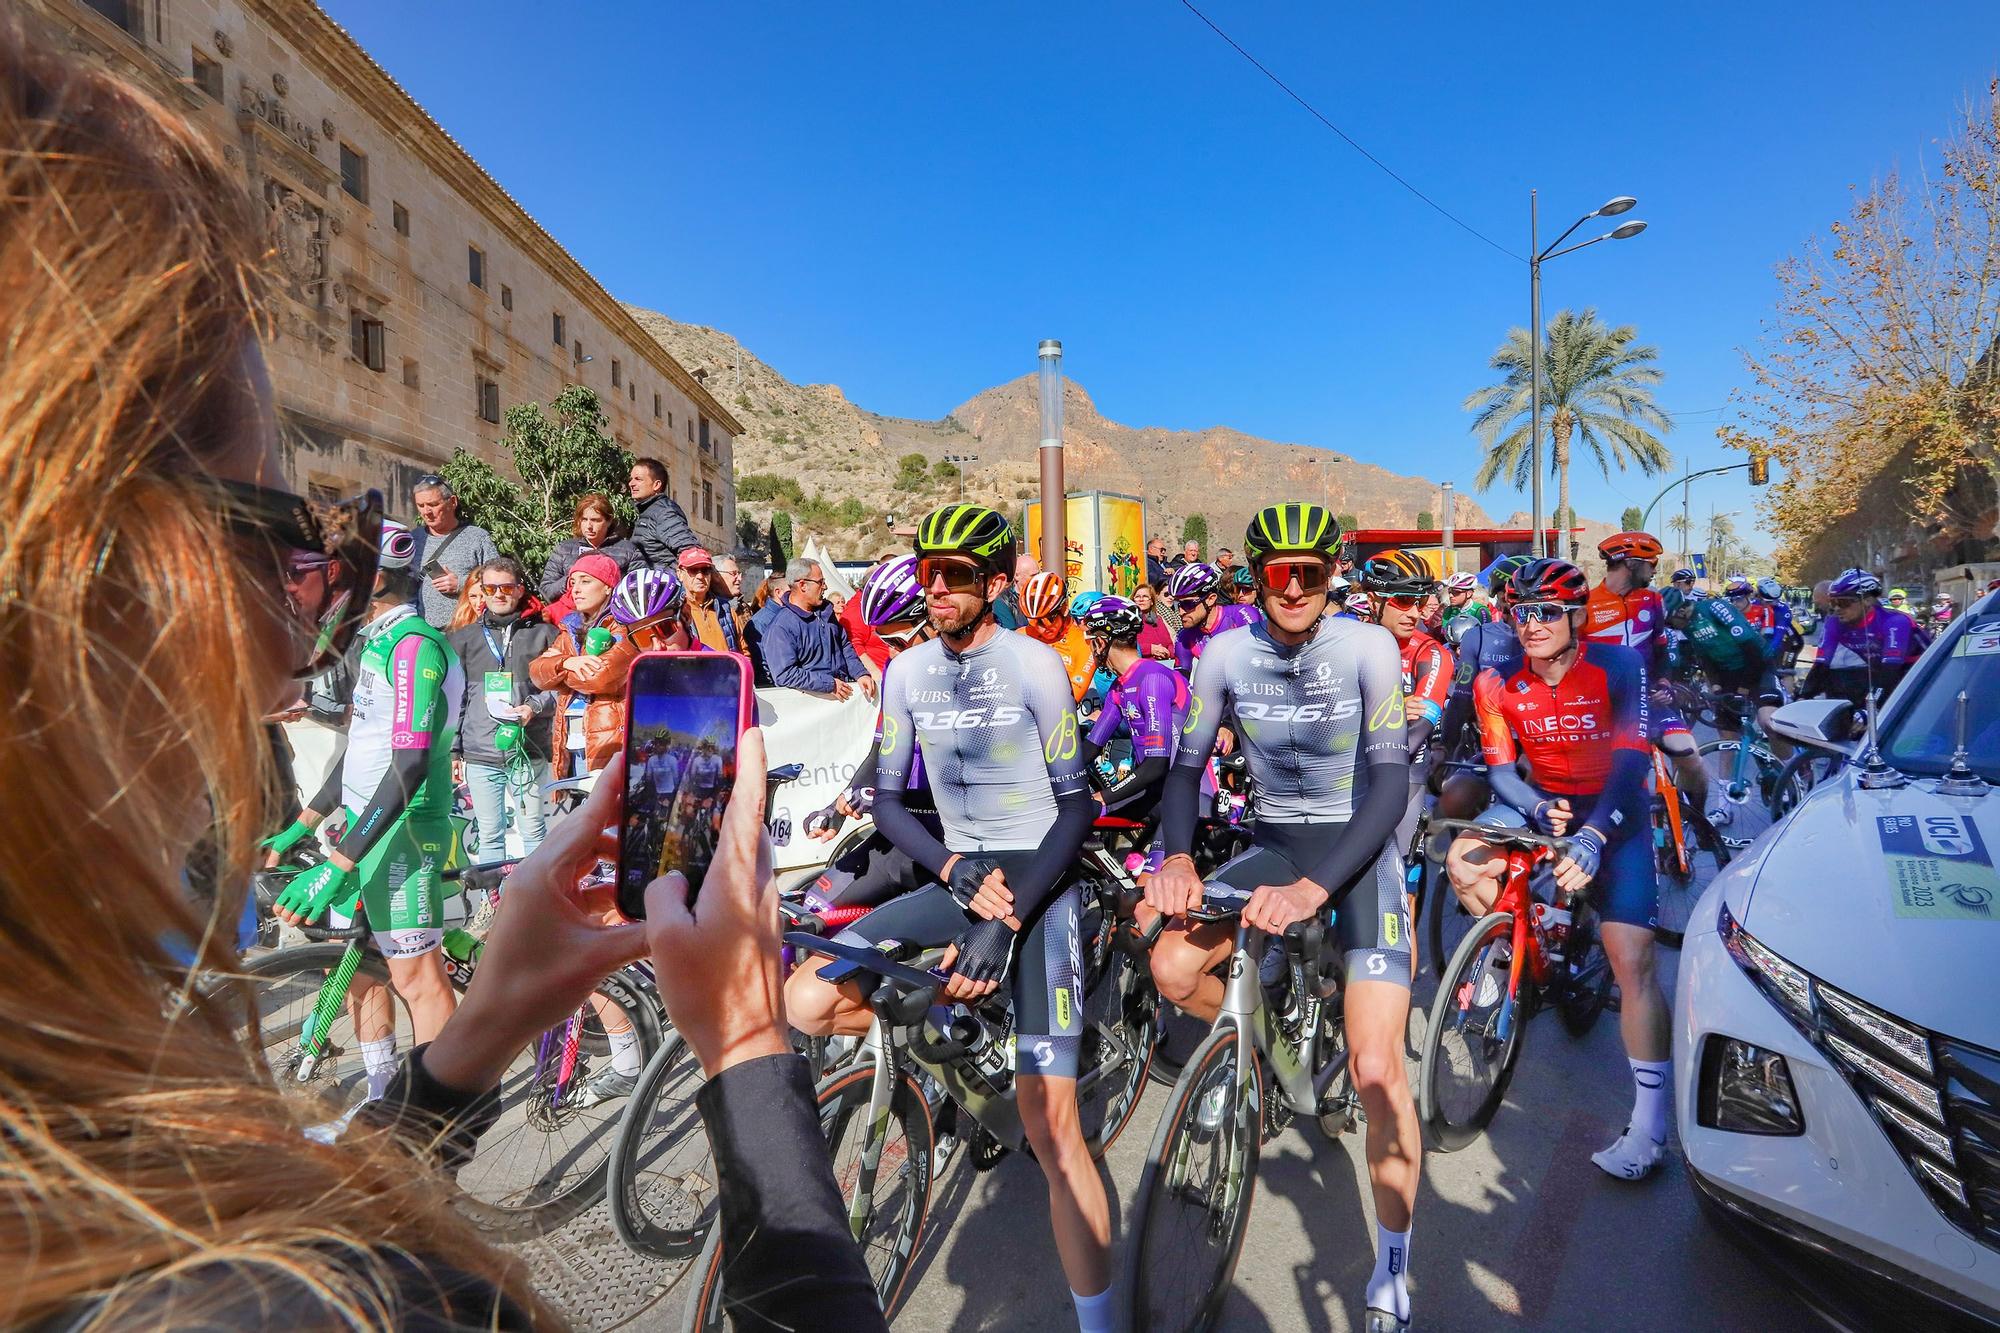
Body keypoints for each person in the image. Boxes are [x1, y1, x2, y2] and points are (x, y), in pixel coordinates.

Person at [0, 32, 884, 1329]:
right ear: (95, 563)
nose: (293, 642)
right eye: (281, 537)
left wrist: (473, 1043)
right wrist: (750, 1046)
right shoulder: (274, 1306)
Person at [783, 502, 1115, 1332]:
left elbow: (1076, 809)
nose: (935, 586)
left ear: (994, 584)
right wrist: (954, 870)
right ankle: (957, 1033)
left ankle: (1103, 1319)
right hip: (962, 873)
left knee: (1053, 1128)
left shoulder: (1035, 666)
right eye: (928, 570)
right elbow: (891, 803)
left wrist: (1005, 917)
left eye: (956, 574)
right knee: (806, 997)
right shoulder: (908, 674)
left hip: (1043, 876)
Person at [1148, 503, 1420, 1332]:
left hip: (1359, 854)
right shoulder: (1223, 654)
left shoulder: (1370, 647)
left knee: (1377, 1070)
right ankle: (1262, 1062)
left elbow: (1390, 786)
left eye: (1312, 571)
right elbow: (1185, 768)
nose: (1297, 586)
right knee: (1172, 967)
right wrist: (1178, 855)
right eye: (1280, 572)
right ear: (1257, 577)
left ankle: (1394, 1268)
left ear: (1332, 572)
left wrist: (1316, 892)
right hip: (1273, 843)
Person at [1447, 557, 1670, 1184]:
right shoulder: (1498, 682)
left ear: (1576, 618)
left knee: (1632, 957)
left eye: (1546, 612)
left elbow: (1631, 767)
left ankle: (1650, 1125)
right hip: (1549, 806)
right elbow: (1498, 773)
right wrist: (1538, 805)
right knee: (1463, 861)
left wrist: (1596, 836)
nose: (1532, 624)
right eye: (1522, 613)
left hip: (1614, 813)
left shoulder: (1619, 666)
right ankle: (1508, 952)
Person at [1584, 531, 1713, 823]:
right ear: (1630, 563)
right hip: (1606, 709)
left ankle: (1698, 821)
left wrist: (1665, 683)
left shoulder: (1653, 600)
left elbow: (1661, 650)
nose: (1655, 569)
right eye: (1651, 562)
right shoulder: (1587, 605)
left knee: (1690, 758)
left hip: (1651, 702)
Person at [448, 557, 557, 857]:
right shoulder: (464, 638)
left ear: (520, 590)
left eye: (506, 587)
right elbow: (457, 699)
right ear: (481, 592)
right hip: (480, 751)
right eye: (491, 588)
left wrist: (533, 706)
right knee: (490, 834)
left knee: (533, 830)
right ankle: (492, 902)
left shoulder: (546, 635)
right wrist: (454, 750)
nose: (498, 594)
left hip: (527, 748)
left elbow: (560, 690)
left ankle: (537, 903)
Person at [1077, 596, 1188, 884]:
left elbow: (1155, 765)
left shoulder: (1151, 678)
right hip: (1153, 792)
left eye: (1091, 639)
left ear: (1102, 641)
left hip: (1180, 795)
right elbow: (1091, 747)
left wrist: (1102, 796)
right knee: (1074, 817)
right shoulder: (1119, 686)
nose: (1090, 647)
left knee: (1145, 897)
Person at [1359, 550, 1453, 857]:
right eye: (1403, 600)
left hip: (1404, 773)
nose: (1414, 613)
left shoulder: (1430, 652)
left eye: (1421, 602)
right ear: (1374, 600)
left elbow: (1418, 729)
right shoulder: (1346, 643)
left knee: (1398, 871)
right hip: (1344, 772)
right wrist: (1395, 706)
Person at [528, 552, 638, 779]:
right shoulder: (570, 627)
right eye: (573, 582)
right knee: (580, 809)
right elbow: (537, 673)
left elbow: (598, 679)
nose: (575, 589)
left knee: (602, 811)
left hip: (607, 740)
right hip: (572, 740)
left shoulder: (625, 628)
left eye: (585, 581)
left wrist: (558, 671)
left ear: (609, 587)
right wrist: (569, 661)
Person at [1662, 587, 1788, 769]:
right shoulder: (1687, 624)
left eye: (1670, 622)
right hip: (1728, 672)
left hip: (1758, 665)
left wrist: (1743, 689)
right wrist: (1716, 687)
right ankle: (1724, 792)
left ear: (1681, 611)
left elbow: (1753, 651)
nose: (1670, 627)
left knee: (1768, 721)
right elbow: (1705, 657)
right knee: (1727, 738)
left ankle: (1790, 770)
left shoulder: (1714, 608)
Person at [1799, 567, 1925, 708]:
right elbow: (1822, 665)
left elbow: (1891, 672)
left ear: (1867, 601)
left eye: (1843, 603)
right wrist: (1803, 698)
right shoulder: (1834, 622)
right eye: (1833, 603)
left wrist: (1869, 711)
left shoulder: (1894, 622)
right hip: (1881, 672)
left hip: (1922, 673)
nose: (1836, 609)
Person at [760, 557, 874, 699]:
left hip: (843, 702)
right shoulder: (781, 627)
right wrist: (828, 684)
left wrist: (860, 673)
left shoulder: (826, 613)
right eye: (820, 582)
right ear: (802, 585)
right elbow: (784, 674)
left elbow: (844, 646)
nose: (825, 587)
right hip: (810, 709)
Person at [409, 474, 499, 631]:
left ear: (452, 502)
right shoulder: (413, 538)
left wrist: (461, 584)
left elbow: (498, 582)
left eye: (433, 504)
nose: (426, 512)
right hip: (419, 632)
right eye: (421, 505)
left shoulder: (477, 537)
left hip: (463, 632)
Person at [537, 492, 639, 606]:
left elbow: (637, 590)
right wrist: (571, 581)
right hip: (569, 616)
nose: (589, 526)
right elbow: (546, 591)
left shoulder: (628, 550)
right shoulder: (564, 549)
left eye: (595, 520)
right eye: (584, 519)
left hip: (611, 616)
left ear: (609, 521)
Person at [1164, 561, 1261, 673]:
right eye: (1177, 604)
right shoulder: (1184, 637)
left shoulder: (1242, 615)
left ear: (1210, 599)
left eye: (1187, 604)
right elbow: (1181, 682)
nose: (1180, 612)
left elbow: (1257, 667)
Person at [1019, 569, 1095, 703]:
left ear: (1064, 608)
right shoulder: (1022, 635)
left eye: (1049, 619)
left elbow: (1072, 697)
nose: (1043, 628)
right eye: (1035, 621)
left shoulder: (1083, 640)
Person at [626, 456, 698, 567]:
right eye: (631, 479)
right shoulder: (647, 511)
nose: (631, 483)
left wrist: (665, 580)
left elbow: (689, 551)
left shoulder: (664, 512)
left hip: (660, 583)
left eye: (638, 479)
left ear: (656, 485)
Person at [677, 546, 733, 652]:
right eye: (693, 570)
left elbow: (743, 650)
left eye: (705, 570)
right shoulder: (675, 613)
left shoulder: (726, 609)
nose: (700, 576)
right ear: (679, 574)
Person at [1745, 576, 1795, 665]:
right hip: (1762, 639)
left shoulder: (1783, 609)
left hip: (1789, 642)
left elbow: (1778, 635)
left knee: (1781, 669)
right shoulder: (1751, 605)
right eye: (1769, 601)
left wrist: (1766, 654)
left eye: (1776, 600)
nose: (1774, 603)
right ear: (1759, 597)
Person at [1131, 582, 1175, 661]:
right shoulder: (1128, 621)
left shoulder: (1158, 620)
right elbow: (1124, 647)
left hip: (1163, 664)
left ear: (1151, 602)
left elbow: (1169, 644)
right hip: (1141, 666)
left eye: (1145, 596)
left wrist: (1167, 652)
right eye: (1137, 597)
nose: (1141, 599)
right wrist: (1150, 649)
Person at [1439, 570, 1489, 636]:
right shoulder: (1448, 610)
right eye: (1450, 591)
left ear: (1469, 594)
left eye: (1456, 592)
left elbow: (1485, 633)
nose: (1451, 595)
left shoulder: (1480, 610)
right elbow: (1444, 632)